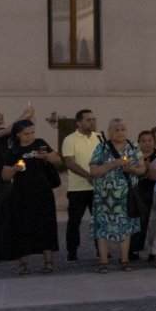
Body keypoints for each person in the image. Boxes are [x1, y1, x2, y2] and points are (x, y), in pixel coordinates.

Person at [0, 120, 61, 275]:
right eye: (26, 133)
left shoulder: (40, 143)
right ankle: (23, 263)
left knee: (46, 226)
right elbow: (5, 175)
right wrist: (14, 169)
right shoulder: (14, 150)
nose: (30, 136)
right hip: (21, 194)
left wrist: (47, 157)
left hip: (42, 192)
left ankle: (48, 261)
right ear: (18, 134)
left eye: (32, 132)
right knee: (22, 227)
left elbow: (58, 160)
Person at [88, 118, 146, 273]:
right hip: (104, 197)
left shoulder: (134, 147)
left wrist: (131, 170)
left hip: (126, 196)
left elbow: (142, 169)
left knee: (125, 228)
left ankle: (125, 260)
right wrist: (113, 164)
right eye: (116, 130)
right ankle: (103, 261)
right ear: (109, 131)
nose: (120, 132)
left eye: (123, 129)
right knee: (102, 229)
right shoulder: (102, 147)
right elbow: (93, 171)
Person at [0, 103, 32, 262]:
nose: (0, 115)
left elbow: (11, 133)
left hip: (6, 177)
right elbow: (8, 130)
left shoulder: (2, 134)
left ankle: (3, 250)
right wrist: (24, 115)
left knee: (4, 216)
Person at [60, 109, 100, 262]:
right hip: (78, 189)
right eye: (88, 119)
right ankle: (72, 252)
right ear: (79, 122)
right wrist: (87, 176)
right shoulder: (70, 139)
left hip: (97, 188)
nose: (92, 122)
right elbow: (70, 163)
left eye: (94, 119)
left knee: (99, 220)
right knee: (74, 221)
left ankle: (101, 250)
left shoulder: (99, 138)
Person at [129, 129, 156, 261]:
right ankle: (134, 249)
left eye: (150, 140)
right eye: (144, 141)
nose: (147, 143)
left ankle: (153, 252)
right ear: (139, 142)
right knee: (138, 221)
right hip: (138, 192)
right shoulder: (134, 156)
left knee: (154, 222)